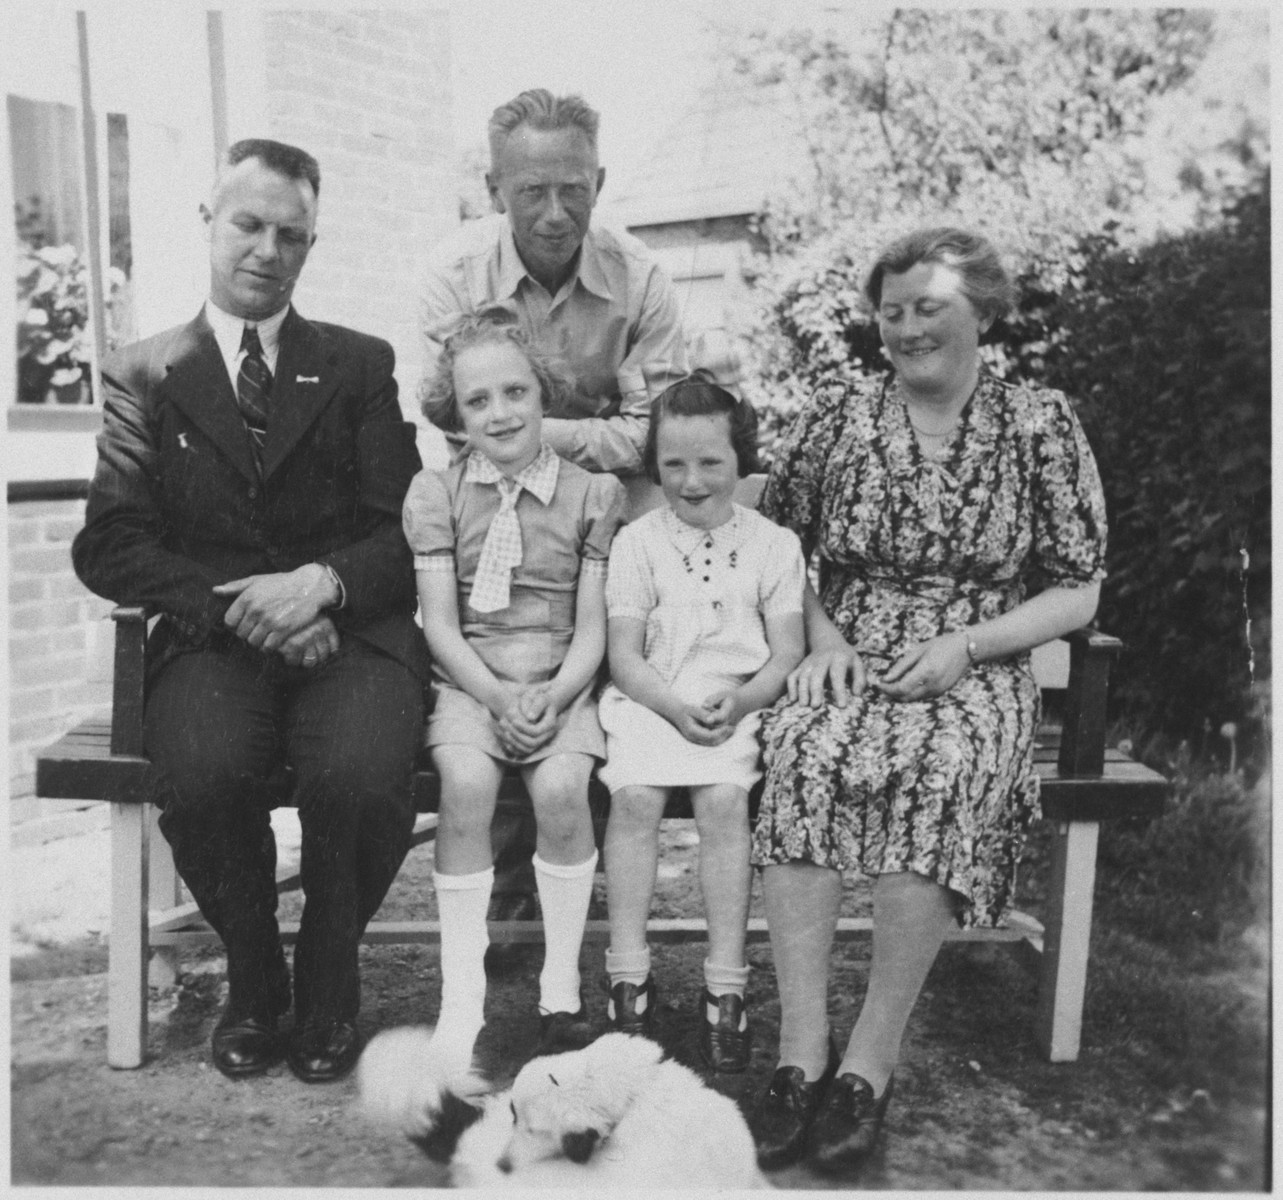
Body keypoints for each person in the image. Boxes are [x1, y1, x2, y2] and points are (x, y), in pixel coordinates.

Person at [746, 227, 1108, 1175]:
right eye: (891, 312)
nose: (906, 329)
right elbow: (773, 550)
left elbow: (1079, 586)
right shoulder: (837, 415)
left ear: (981, 313)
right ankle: (798, 1052)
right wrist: (821, 640)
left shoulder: (1041, 423)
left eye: (928, 308)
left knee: (942, 766)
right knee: (800, 752)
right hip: (844, 649)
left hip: (976, 662)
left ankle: (868, 1063)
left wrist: (968, 645)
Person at [72, 138, 429, 1085]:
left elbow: (405, 531)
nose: (267, 250)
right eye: (248, 225)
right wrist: (246, 608)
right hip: (212, 641)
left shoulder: (357, 365)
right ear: (208, 221)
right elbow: (109, 542)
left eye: (292, 235)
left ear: (310, 244)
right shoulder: (144, 372)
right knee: (199, 767)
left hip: (346, 636)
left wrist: (319, 584)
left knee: (359, 772)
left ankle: (327, 971)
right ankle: (255, 973)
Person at [420, 87, 688, 951]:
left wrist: (541, 436)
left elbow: (660, 433)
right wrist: (575, 435)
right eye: (530, 190)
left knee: (609, 664)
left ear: (599, 181)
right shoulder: (452, 280)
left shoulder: (640, 281)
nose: (553, 211)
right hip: (489, 527)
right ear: (494, 187)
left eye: (573, 187)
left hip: (612, 529)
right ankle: (512, 880)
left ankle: (571, 876)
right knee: (501, 647)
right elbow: (442, 422)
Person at [403, 313, 626, 1068]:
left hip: (561, 681)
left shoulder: (590, 494)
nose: (499, 413)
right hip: (473, 679)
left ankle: (559, 994)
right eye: (477, 402)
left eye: (515, 392)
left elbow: (592, 629)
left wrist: (557, 696)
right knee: (464, 783)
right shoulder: (438, 494)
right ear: (454, 414)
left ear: (543, 394)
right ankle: (460, 1000)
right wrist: (497, 699)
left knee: (563, 788)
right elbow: (439, 626)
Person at [598, 373, 806, 1071]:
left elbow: (784, 655)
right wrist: (669, 706)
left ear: (740, 461)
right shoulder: (637, 542)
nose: (691, 481)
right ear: (653, 467)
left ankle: (725, 986)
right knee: (632, 800)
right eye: (673, 465)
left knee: (723, 804)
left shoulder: (773, 544)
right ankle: (627, 975)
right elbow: (624, 658)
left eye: (710, 463)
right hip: (652, 701)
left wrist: (741, 702)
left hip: (733, 705)